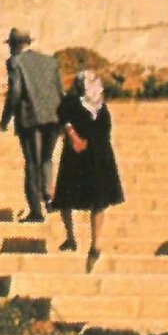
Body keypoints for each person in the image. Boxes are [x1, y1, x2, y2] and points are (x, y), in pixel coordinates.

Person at [52, 68, 125, 270]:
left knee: (84, 199)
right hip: (91, 156)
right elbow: (67, 120)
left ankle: (83, 241)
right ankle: (83, 240)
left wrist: (75, 137)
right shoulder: (91, 106)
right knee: (82, 199)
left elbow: (65, 120)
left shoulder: (87, 105)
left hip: (86, 156)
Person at [0, 27, 64, 224]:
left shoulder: (15, 61)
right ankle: (49, 195)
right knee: (46, 159)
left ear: (13, 45)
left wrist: (5, 118)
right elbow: (59, 90)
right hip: (53, 116)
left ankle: (36, 210)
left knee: (32, 164)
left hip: (30, 117)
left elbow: (16, 91)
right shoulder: (50, 61)